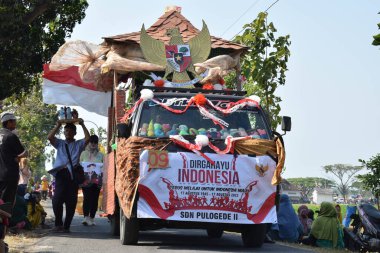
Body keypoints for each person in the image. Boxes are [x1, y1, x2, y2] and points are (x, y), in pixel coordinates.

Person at [48, 119, 90, 233]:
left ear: (75, 133)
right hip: (61, 174)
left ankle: (66, 226)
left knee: (71, 202)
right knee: (57, 200)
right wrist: (58, 125)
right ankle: (58, 224)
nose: (68, 133)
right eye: (66, 131)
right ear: (64, 132)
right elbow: (50, 137)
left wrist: (82, 123)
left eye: (70, 131)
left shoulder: (78, 144)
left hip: (73, 175)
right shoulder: (60, 143)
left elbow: (87, 138)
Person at [0, 112, 27, 205]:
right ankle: (6, 219)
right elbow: (24, 153)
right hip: (9, 175)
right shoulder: (10, 136)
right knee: (7, 203)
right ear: (8, 122)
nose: (15, 124)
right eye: (14, 121)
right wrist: (18, 157)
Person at [80, 135, 104, 226]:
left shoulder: (101, 155)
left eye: (95, 142)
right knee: (86, 198)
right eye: (92, 142)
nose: (93, 144)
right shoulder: (83, 153)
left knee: (95, 199)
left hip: (97, 181)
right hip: (86, 180)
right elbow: (80, 165)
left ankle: (92, 218)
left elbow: (104, 167)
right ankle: (86, 217)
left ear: (97, 143)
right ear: (89, 143)